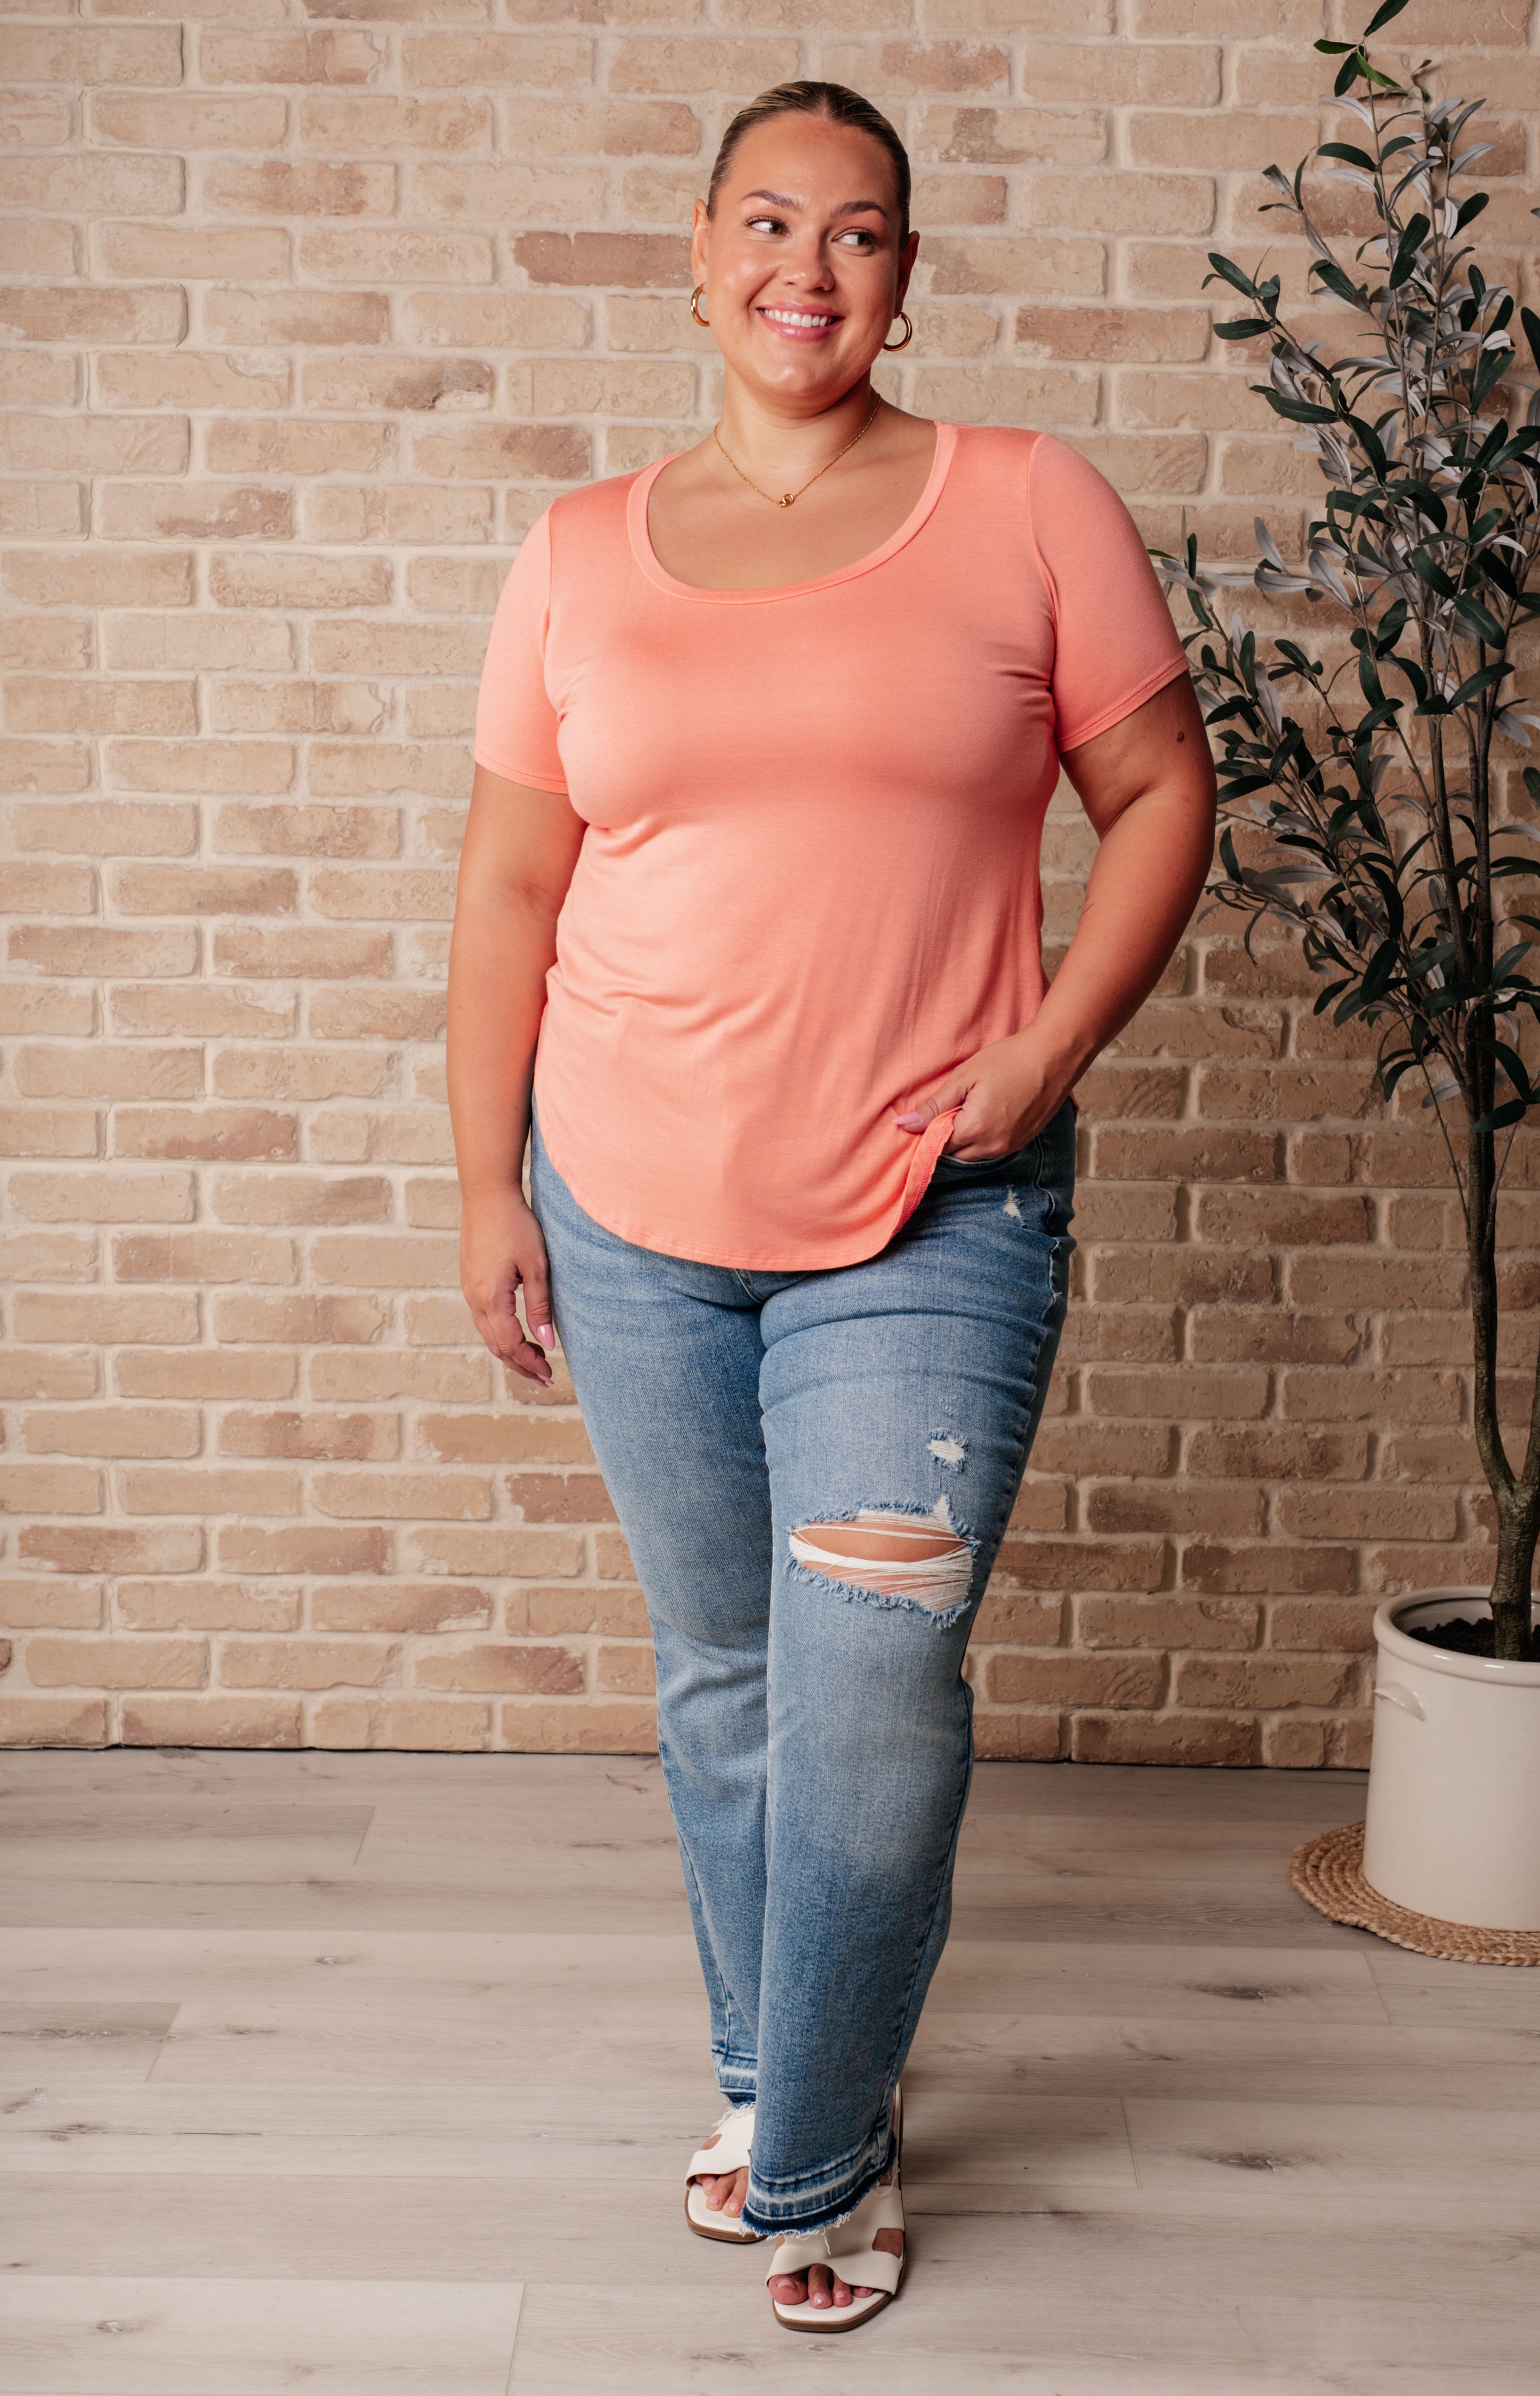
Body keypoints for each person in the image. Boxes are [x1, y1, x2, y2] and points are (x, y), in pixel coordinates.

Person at [447, 79, 1216, 2335]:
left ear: (901, 277)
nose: (808, 266)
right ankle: (770, 2073)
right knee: (725, 1679)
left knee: (866, 1689)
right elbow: (508, 887)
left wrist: (1047, 1048)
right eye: (767, 224)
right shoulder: (579, 552)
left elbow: (1161, 791)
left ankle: (814, 2155)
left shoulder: (1026, 506)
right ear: (695, 259)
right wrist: (483, 1180)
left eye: (858, 231)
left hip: (928, 1207)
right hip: (626, 1202)